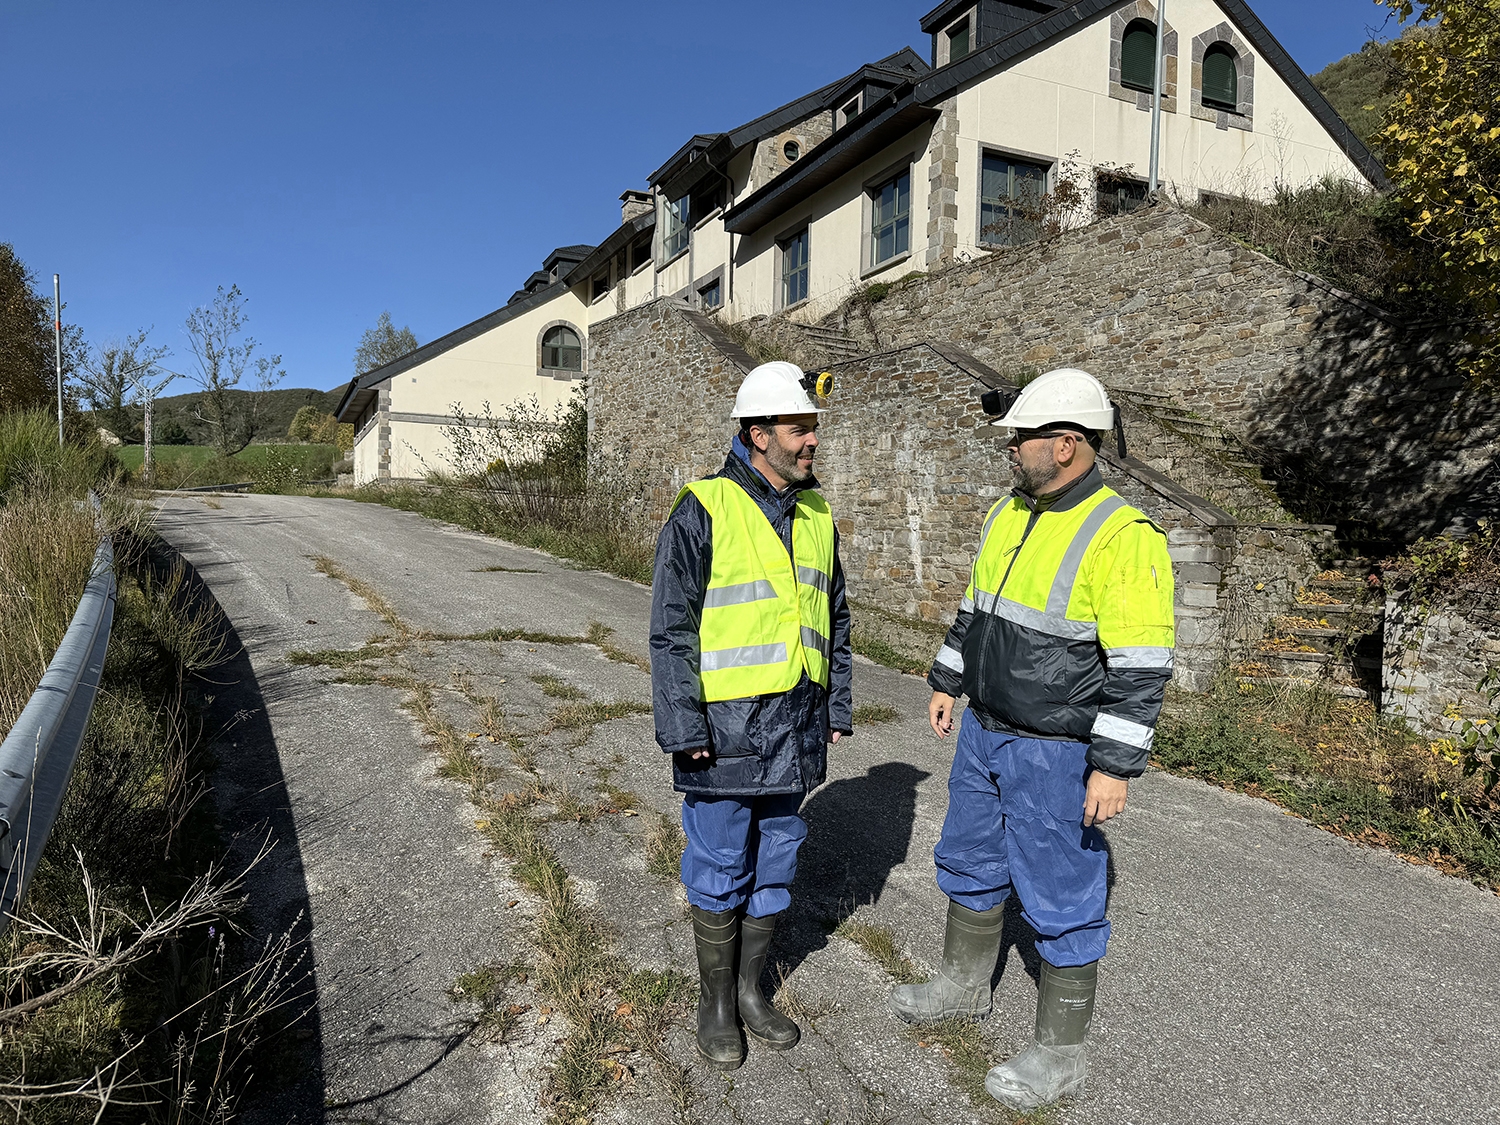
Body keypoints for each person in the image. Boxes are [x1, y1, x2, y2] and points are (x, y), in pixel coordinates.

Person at [889, 368, 1175, 1110]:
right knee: (971, 856)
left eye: (1023, 438)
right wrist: (947, 678)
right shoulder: (1009, 513)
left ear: (1069, 445)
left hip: (1057, 749)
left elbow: (1141, 668)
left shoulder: (1123, 537)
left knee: (1061, 891)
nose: (1012, 450)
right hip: (984, 730)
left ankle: (1061, 1054)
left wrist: (1112, 767)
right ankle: (962, 986)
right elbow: (975, 607)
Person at [650, 361, 853, 1070]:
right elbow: (671, 627)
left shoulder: (819, 512)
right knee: (719, 862)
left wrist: (837, 703)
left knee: (777, 859)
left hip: (795, 723)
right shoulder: (703, 507)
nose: (811, 443)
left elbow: (836, 616)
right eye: (800, 430)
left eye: (813, 431)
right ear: (757, 432)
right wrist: (682, 724)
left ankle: (750, 990)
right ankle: (713, 1002)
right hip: (725, 731)